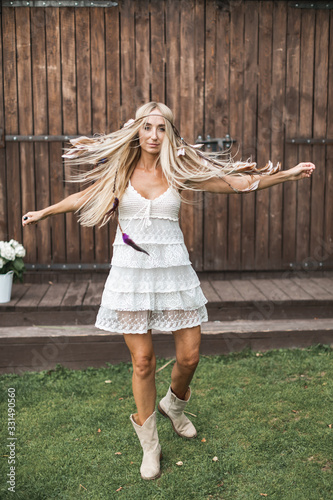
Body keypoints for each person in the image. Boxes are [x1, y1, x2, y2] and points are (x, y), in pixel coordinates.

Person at [22, 102, 315, 480]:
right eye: (148, 127)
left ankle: (174, 406)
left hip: (174, 273)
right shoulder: (121, 172)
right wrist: (44, 212)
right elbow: (83, 197)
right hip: (131, 275)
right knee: (142, 361)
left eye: (162, 128)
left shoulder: (179, 172)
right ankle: (150, 445)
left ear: (170, 133)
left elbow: (239, 183)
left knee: (190, 357)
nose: (154, 135)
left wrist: (288, 176)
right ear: (137, 131)